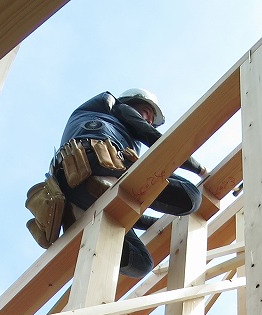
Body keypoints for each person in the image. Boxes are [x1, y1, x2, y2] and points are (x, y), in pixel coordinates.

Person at [26, 88, 209, 278]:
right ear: (130, 102)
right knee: (191, 196)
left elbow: (127, 207)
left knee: (141, 264)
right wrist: (199, 169)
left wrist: (156, 224)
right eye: (146, 113)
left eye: (151, 119)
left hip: (76, 191)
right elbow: (151, 136)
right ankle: (104, 186)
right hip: (97, 159)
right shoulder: (114, 105)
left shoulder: (109, 128)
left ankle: (88, 237)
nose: (148, 121)